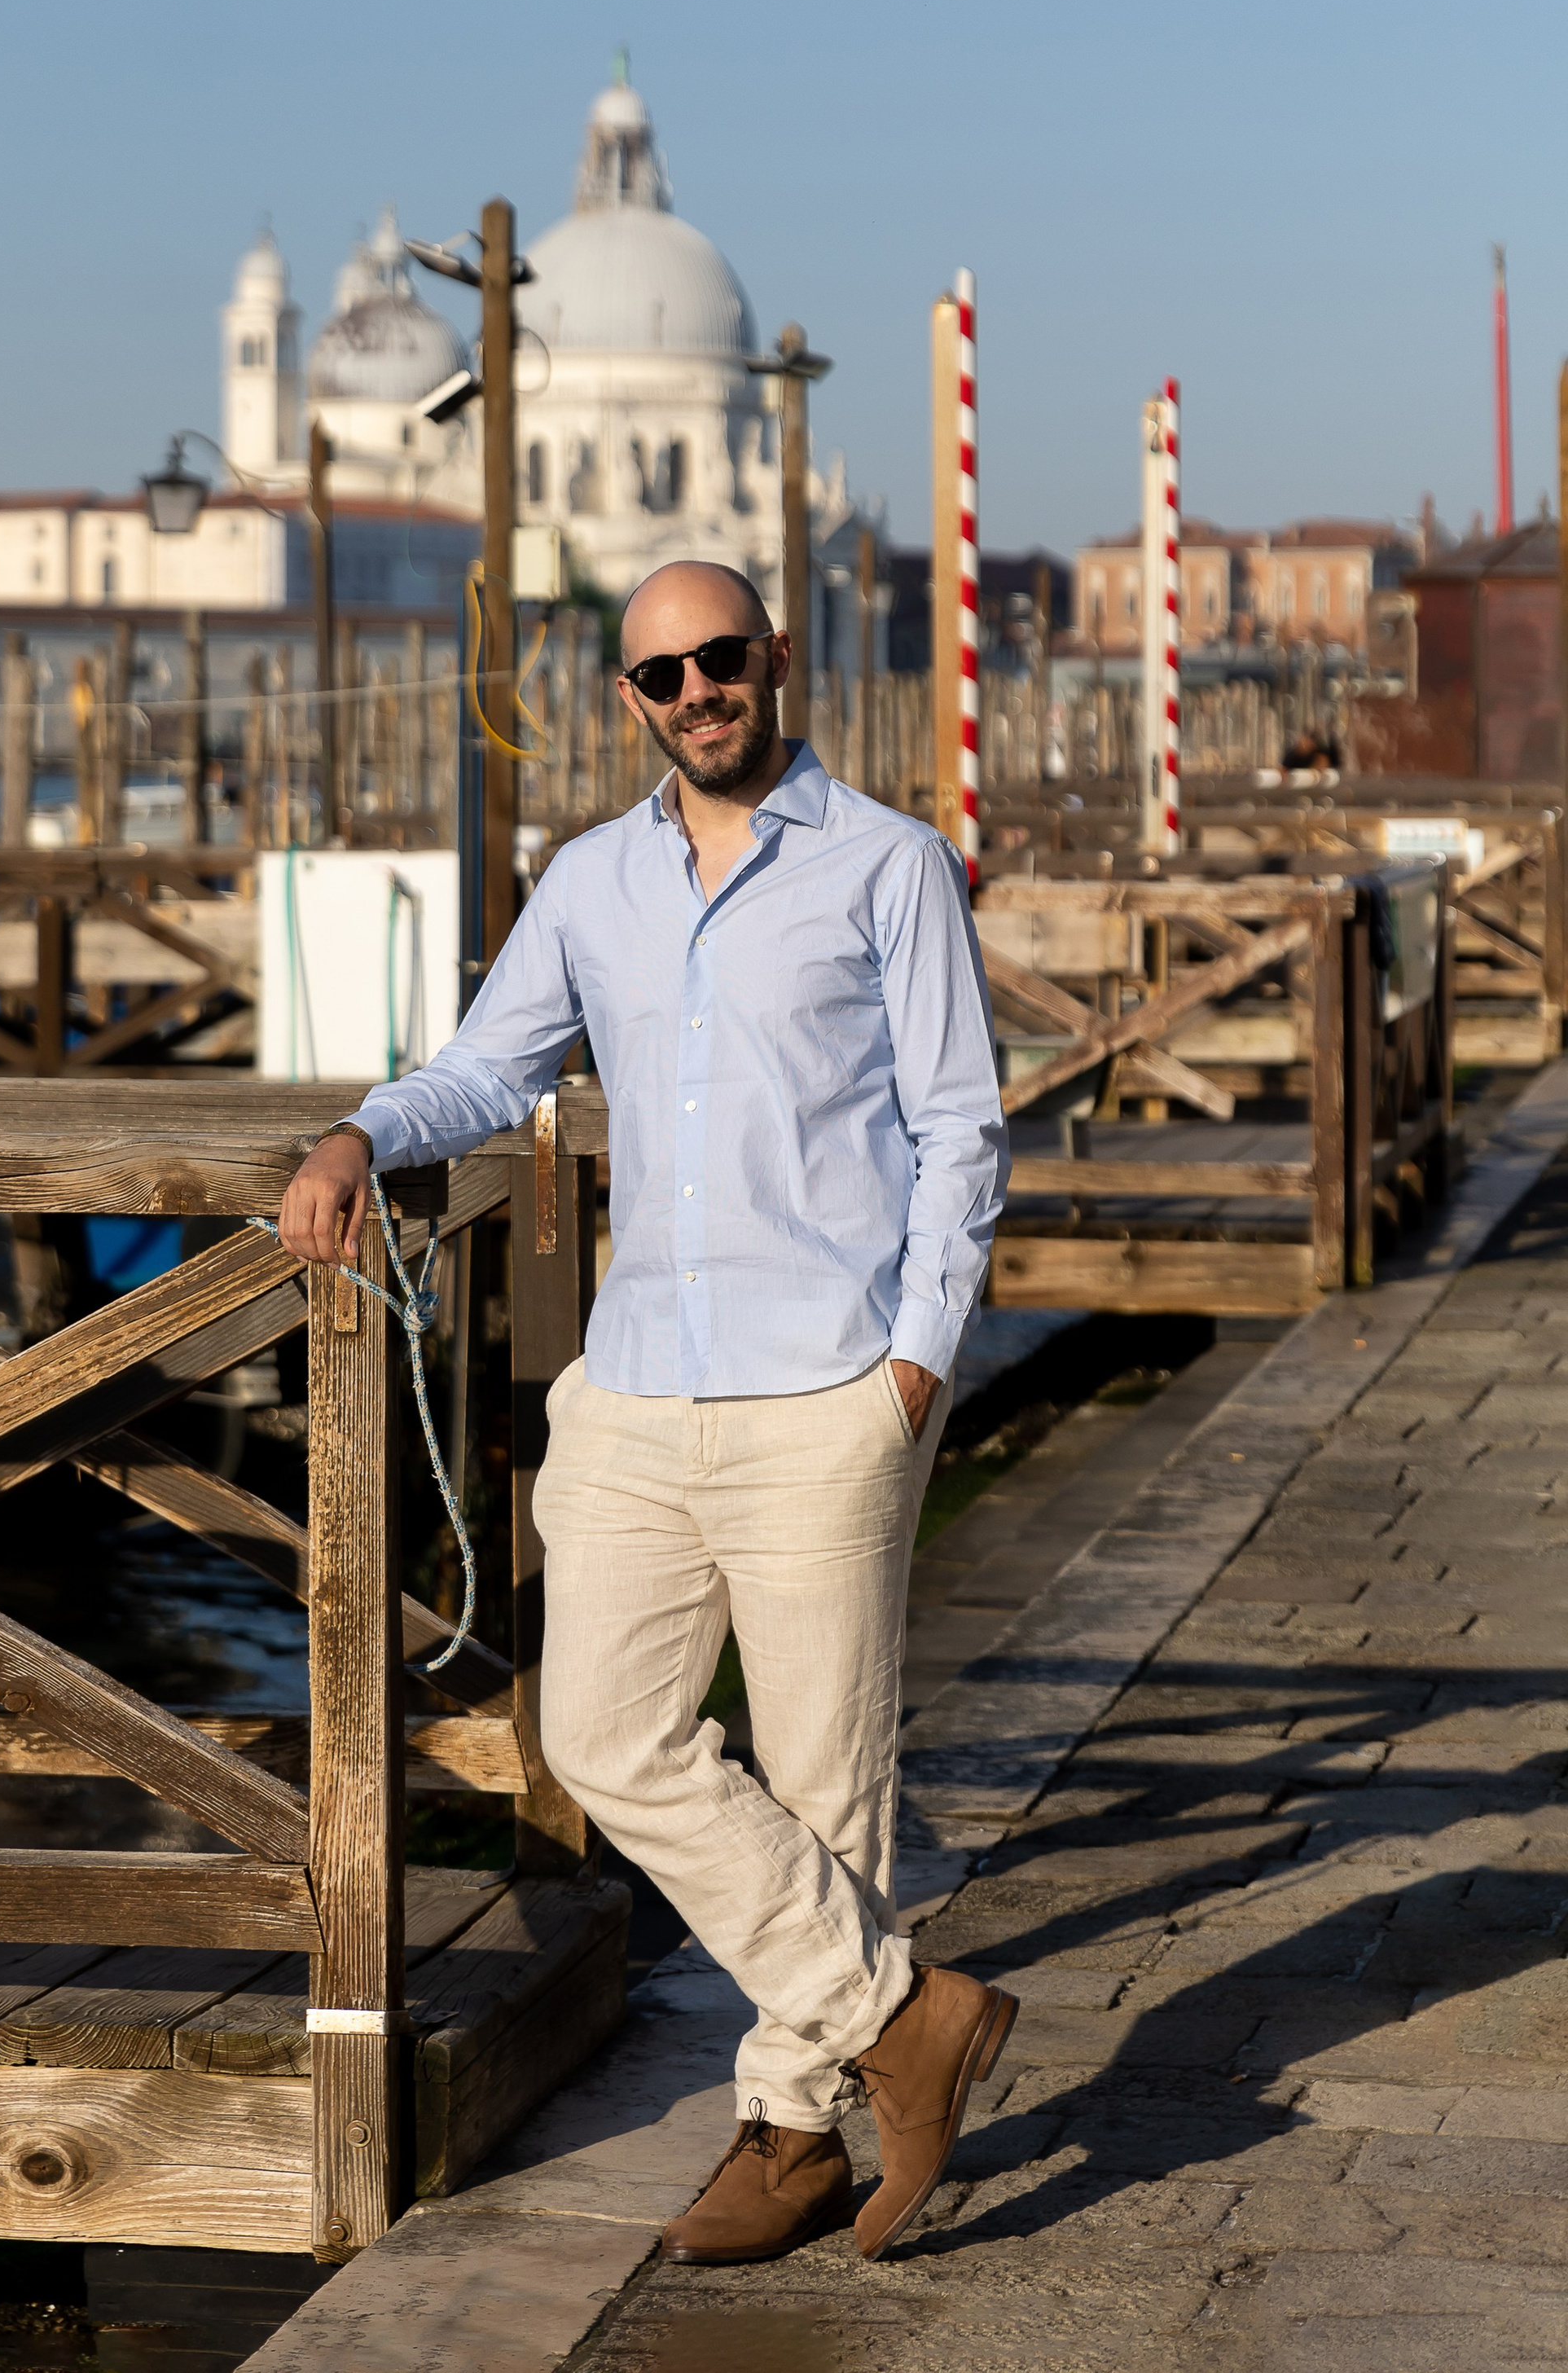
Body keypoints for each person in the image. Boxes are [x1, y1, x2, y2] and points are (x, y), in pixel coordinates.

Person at [276, 559, 1016, 2265]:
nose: (697, 690)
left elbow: (959, 1132)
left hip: (828, 1379)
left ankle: (791, 2129)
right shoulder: (588, 881)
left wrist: (913, 1357)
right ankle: (907, 2019)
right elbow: (489, 1068)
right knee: (603, 1735)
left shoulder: (887, 867)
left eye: (721, 658)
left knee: (826, 1777)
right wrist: (357, 1135)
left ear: (773, 661)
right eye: (662, 671)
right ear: (629, 701)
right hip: (633, 1386)